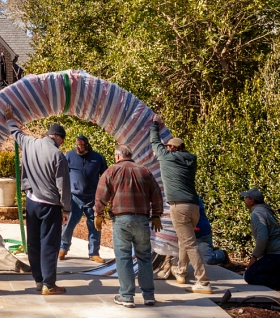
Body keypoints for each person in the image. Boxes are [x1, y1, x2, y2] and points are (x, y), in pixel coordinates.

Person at [4, 106, 71, 295]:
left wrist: (9, 118)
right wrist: (66, 209)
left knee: (33, 243)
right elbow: (63, 185)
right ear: (58, 137)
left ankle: (38, 280)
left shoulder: (29, 143)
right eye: (62, 140)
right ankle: (50, 285)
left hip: (32, 202)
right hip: (50, 205)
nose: (61, 144)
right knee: (49, 244)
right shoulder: (58, 155)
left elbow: (15, 132)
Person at [94, 144, 163, 308]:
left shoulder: (111, 171)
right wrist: (156, 215)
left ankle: (127, 296)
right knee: (145, 257)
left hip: (122, 220)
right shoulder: (145, 172)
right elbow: (157, 194)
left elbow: (101, 194)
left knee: (123, 257)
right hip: (142, 220)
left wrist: (98, 214)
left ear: (118, 156)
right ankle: (149, 296)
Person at [150, 118, 212, 294]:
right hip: (194, 207)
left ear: (171, 148)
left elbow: (154, 141)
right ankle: (181, 272)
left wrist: (155, 124)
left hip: (179, 207)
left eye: (168, 146)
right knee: (185, 239)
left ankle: (203, 281)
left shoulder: (167, 158)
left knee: (190, 243)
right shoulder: (191, 161)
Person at [59, 134, 108, 263]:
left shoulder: (97, 158)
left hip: (93, 198)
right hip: (74, 197)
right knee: (69, 223)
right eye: (76, 145)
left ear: (86, 145)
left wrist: (103, 196)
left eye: (80, 145)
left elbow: (105, 176)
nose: (78, 148)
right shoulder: (69, 156)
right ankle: (63, 248)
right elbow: (62, 175)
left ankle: (94, 253)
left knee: (94, 225)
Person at [196, 196, 228, 266]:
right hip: (186, 236)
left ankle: (222, 254)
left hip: (201, 235)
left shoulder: (195, 199)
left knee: (208, 260)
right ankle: (207, 250)